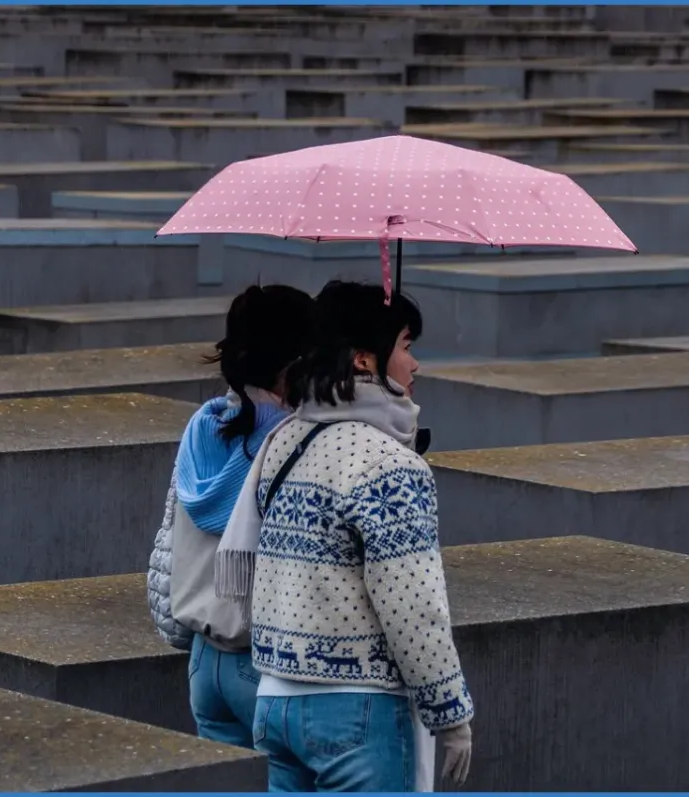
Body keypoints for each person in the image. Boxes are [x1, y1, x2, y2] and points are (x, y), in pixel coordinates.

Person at [215, 280, 474, 791]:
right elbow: (413, 605)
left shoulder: (285, 439)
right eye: (405, 346)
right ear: (363, 360)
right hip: (358, 710)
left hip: (275, 704)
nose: (415, 364)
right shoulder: (389, 465)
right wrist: (452, 713)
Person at [147, 283, 317, 749]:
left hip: (203, 660)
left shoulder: (204, 423)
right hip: (261, 659)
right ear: (296, 362)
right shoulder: (291, 441)